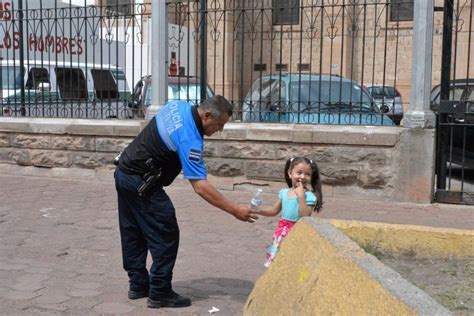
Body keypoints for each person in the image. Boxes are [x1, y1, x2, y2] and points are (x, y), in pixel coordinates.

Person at [114, 95, 259, 309]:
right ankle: (160, 292)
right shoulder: (191, 139)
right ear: (207, 115)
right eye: (219, 125)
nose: (219, 130)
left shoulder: (176, 106)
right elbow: (200, 186)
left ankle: (138, 285)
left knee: (133, 231)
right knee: (165, 232)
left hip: (124, 172)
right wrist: (235, 209)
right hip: (142, 183)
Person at [257, 156, 323, 267]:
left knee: (293, 262)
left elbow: (305, 215)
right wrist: (258, 211)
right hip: (281, 233)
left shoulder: (309, 196)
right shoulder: (284, 192)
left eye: (307, 174)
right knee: (278, 262)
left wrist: (301, 196)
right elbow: (274, 210)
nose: (303, 177)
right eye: (299, 172)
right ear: (290, 173)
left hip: (298, 232)